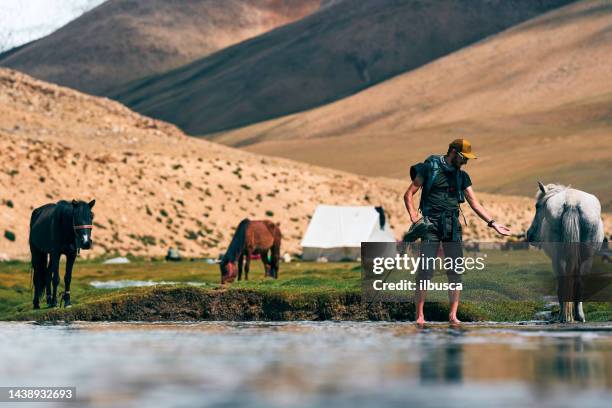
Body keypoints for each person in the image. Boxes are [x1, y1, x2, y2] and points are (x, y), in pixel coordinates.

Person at [404, 139, 511, 324]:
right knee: (425, 271)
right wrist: (414, 217)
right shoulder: (429, 167)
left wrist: (493, 223)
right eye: (464, 158)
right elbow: (408, 194)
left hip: (452, 226)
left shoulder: (463, 177)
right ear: (453, 152)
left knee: (455, 271)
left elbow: (474, 202)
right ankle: (420, 316)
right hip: (430, 226)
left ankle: (453, 315)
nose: (466, 162)